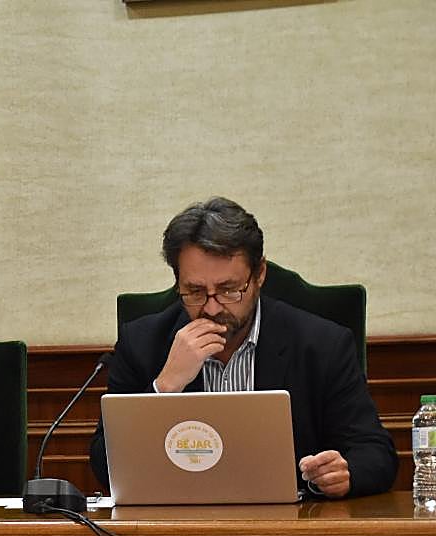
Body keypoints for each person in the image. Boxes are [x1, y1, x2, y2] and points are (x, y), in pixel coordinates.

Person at [89, 197, 396, 499]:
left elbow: (376, 454)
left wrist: (343, 474)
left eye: (228, 290)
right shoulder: (142, 343)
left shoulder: (321, 344)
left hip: (288, 533)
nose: (211, 307)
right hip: (176, 532)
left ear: (259, 274)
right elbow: (105, 465)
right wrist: (164, 387)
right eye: (195, 291)